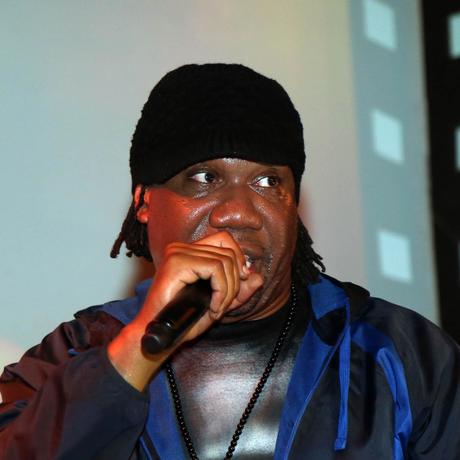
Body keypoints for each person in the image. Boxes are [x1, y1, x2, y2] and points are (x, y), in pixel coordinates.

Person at [0, 64, 459, 460]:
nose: (239, 212)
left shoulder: (402, 353)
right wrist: (137, 351)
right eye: (204, 177)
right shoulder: (74, 354)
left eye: (268, 182)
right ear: (143, 202)